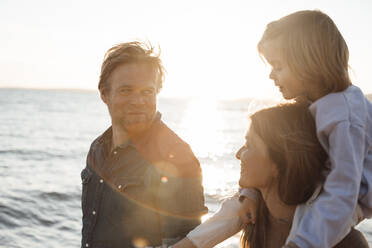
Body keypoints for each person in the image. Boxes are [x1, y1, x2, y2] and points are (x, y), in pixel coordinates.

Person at [239, 10, 372, 248]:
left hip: (358, 193)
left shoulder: (344, 116)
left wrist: (301, 244)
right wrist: (250, 192)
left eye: (278, 66)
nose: (271, 75)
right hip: (342, 186)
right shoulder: (317, 103)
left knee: (304, 222)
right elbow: (270, 153)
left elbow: (343, 191)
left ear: (309, 64)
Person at [172, 103, 369, 248]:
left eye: (249, 145)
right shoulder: (256, 219)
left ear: (279, 162)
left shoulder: (346, 243)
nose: (238, 154)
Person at [80, 41, 208, 248]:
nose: (138, 101)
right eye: (126, 90)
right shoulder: (98, 148)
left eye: (147, 92)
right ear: (104, 94)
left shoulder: (174, 155)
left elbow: (185, 242)